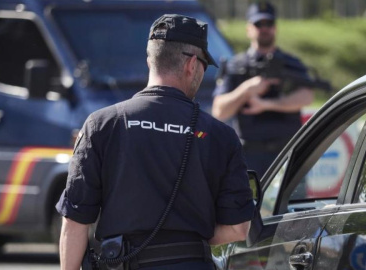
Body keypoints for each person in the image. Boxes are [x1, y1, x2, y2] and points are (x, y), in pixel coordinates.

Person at [56, 14, 255, 270]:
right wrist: (189, 236)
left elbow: (74, 220)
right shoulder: (220, 135)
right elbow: (238, 229)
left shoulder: (102, 124)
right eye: (205, 64)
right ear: (191, 64)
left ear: (151, 59)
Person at [212, 1, 314, 178]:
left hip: (287, 153)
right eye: (258, 24)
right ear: (248, 29)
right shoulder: (236, 65)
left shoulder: (291, 63)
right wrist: (246, 89)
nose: (264, 28)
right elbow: (219, 111)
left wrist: (266, 104)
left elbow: (307, 96)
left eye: (269, 23)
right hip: (249, 156)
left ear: (275, 27)